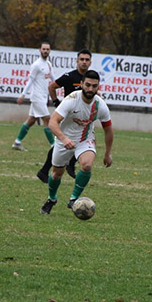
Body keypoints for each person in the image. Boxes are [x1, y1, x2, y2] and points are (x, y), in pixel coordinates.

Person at [40, 70, 114, 214]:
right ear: (81, 84)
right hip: (63, 139)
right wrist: (63, 138)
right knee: (56, 174)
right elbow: (53, 122)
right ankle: (51, 199)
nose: (90, 89)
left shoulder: (100, 105)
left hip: (85, 140)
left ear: (98, 87)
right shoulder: (71, 100)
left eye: (94, 86)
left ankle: (74, 199)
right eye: (87, 85)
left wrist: (107, 154)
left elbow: (108, 130)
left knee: (87, 165)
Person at [36, 48, 93, 183]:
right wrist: (57, 103)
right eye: (82, 59)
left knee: (82, 141)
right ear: (77, 61)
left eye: (87, 60)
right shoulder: (69, 76)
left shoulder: (90, 78)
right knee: (61, 143)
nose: (84, 62)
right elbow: (52, 87)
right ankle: (45, 170)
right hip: (68, 118)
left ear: (90, 62)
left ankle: (68, 165)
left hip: (82, 117)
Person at [12, 42, 55, 151]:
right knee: (47, 120)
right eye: (44, 49)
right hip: (36, 96)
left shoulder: (48, 64)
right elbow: (30, 80)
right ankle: (54, 146)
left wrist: (59, 88)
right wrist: (22, 95)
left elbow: (53, 79)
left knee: (31, 120)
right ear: (39, 50)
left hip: (43, 97)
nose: (45, 51)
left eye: (47, 49)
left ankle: (17, 142)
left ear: (50, 51)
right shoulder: (36, 65)